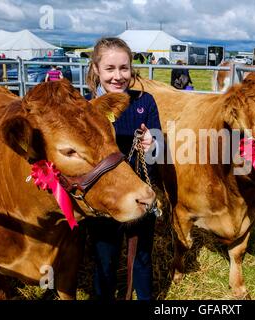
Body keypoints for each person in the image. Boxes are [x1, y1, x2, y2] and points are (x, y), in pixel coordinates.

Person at [85, 37, 162, 301]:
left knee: (141, 257)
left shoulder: (145, 102)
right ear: (96, 69)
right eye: (110, 69)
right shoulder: (85, 109)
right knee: (104, 259)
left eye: (124, 68)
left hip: (141, 192)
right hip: (104, 198)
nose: (118, 76)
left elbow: (160, 149)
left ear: (131, 68)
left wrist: (153, 144)